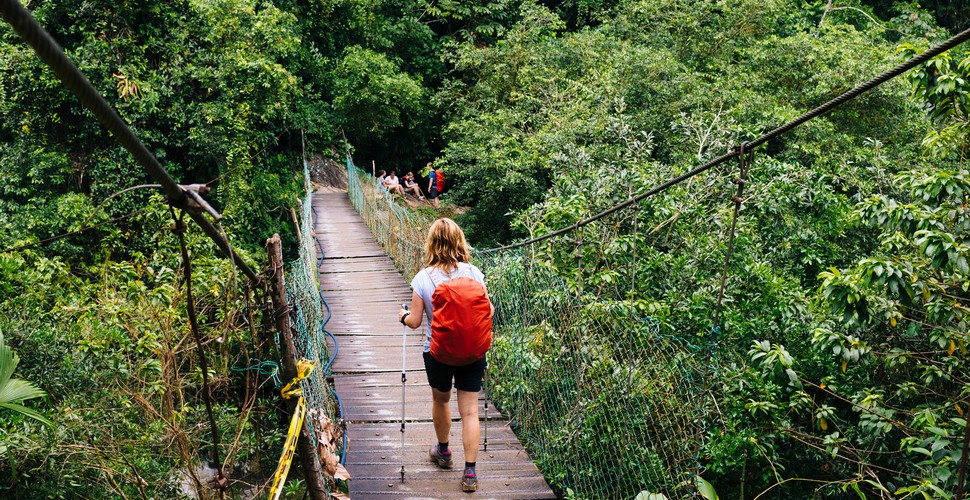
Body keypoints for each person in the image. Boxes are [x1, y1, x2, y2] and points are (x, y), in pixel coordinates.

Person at [398, 218, 494, 492]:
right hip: (473, 352)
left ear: (432, 243)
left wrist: (402, 315)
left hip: (437, 353)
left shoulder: (423, 278)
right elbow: (489, 311)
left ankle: (443, 452)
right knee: (470, 410)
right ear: (459, 240)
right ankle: (471, 473)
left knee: (441, 400)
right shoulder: (475, 273)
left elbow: (416, 322)